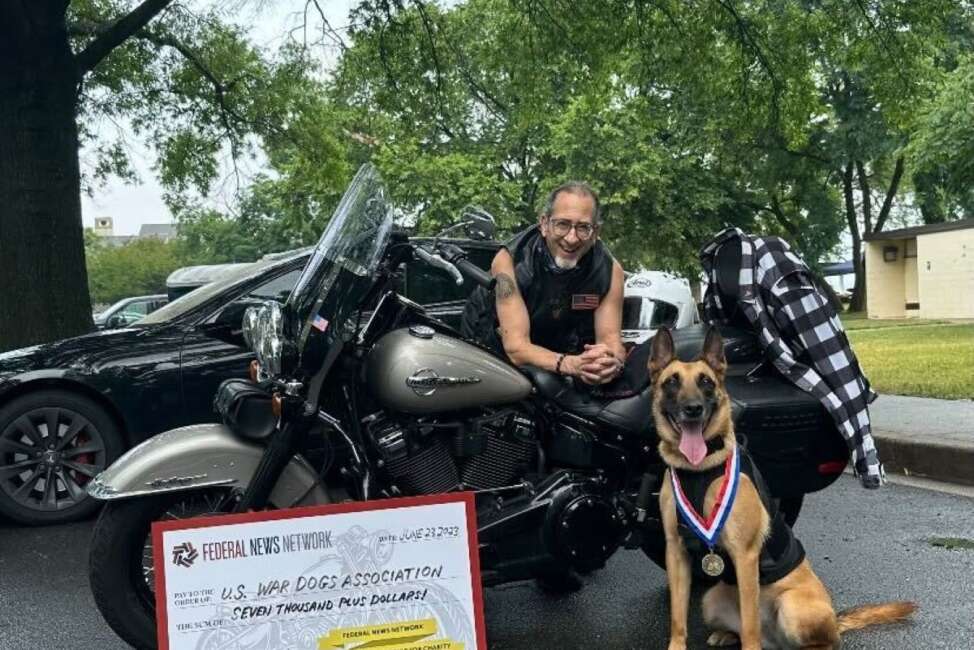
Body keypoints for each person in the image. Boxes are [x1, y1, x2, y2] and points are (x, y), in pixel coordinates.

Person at [461, 182, 626, 385]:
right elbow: (516, 347)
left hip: (557, 343)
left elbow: (611, 340)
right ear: (544, 224)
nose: (572, 238)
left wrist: (610, 363)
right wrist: (571, 365)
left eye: (583, 227)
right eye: (562, 224)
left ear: (595, 232)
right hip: (490, 341)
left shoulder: (611, 272)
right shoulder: (507, 262)